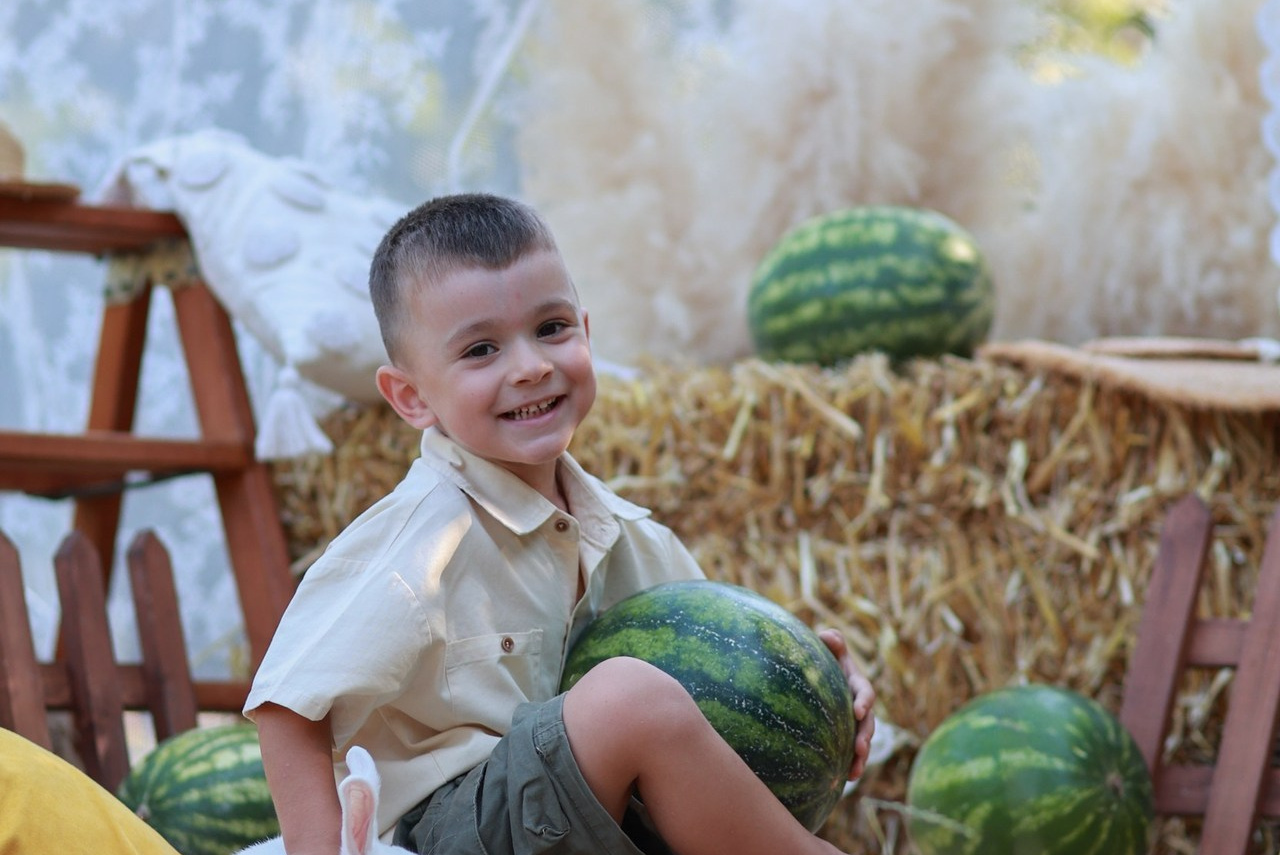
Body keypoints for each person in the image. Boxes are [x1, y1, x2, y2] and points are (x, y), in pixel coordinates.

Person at [245, 192, 876, 855]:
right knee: (626, 697)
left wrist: (822, 691)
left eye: (551, 329)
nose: (532, 366)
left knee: (661, 698)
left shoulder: (623, 530)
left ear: (586, 330)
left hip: (581, 821)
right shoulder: (422, 537)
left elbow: (713, 683)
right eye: (482, 350)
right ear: (411, 397)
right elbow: (289, 710)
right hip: (455, 826)